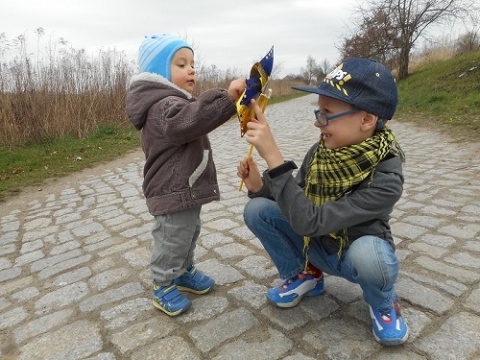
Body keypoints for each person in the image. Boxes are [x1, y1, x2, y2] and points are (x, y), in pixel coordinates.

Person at [237, 57, 408, 346]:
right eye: (319, 112)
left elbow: (309, 219)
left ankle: (382, 302)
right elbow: (295, 200)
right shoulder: (321, 153)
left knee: (370, 255)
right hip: (316, 247)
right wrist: (259, 186)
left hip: (353, 255)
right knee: (258, 210)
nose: (318, 122)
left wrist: (274, 157)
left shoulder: (386, 176)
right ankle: (307, 274)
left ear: (366, 120)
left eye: (327, 114)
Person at [127, 34, 245, 316]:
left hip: (184, 186)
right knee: (172, 236)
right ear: (158, 72)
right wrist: (227, 98)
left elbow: (194, 115)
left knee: (189, 231)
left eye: (192, 63)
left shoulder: (173, 102)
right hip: (170, 188)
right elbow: (191, 119)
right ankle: (162, 283)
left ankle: (181, 270)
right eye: (181, 64)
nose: (191, 69)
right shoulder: (163, 107)